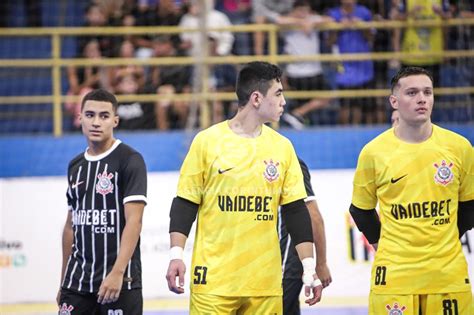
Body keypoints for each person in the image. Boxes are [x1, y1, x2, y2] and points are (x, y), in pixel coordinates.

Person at [165, 61, 323, 314]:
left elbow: (295, 211)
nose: (284, 102)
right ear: (256, 98)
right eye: (278, 94)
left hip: (264, 283)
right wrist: (176, 255)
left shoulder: (283, 147)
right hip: (213, 282)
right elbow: (185, 203)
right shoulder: (207, 142)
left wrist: (309, 267)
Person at [349, 67, 474, 314]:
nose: (421, 99)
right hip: (395, 276)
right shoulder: (374, 152)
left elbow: (470, 205)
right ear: (394, 101)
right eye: (412, 92)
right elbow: (360, 210)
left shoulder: (459, 148)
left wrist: (445, 237)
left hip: (447, 274)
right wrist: (383, 245)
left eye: (427, 92)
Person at [57, 89, 147, 314]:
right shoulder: (75, 166)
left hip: (119, 281)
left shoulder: (130, 160)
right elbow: (70, 226)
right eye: (89, 115)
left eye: (104, 116)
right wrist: (63, 280)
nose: (96, 122)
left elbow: (134, 223)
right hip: (76, 284)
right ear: (80, 118)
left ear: (115, 120)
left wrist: (117, 273)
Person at [280, 157, 332, 314]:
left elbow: (313, 215)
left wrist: (320, 264)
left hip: (287, 259)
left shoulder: (287, 160)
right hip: (273, 260)